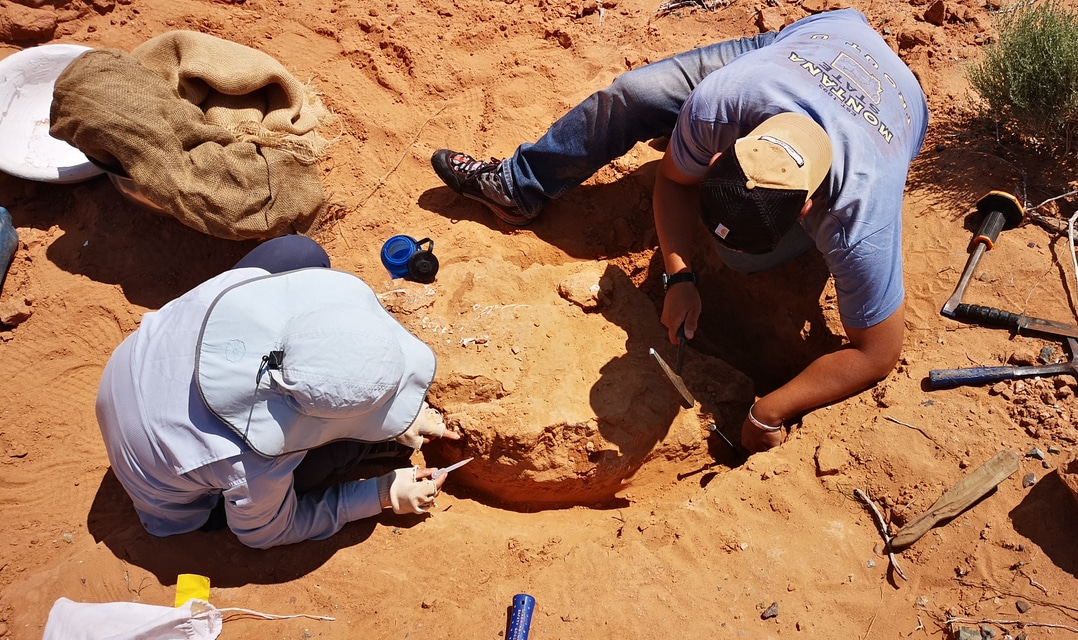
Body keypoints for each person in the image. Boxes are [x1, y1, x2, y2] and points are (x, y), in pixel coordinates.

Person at [432, 9, 928, 453]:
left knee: (738, 257)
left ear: (806, 212)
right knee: (633, 95)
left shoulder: (860, 216)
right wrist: (679, 277)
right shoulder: (721, 103)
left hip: (897, 102)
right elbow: (673, 179)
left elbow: (878, 352)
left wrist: (769, 410)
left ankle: (708, 185)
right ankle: (520, 186)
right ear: (722, 154)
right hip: (811, 42)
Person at [95, 235, 460, 549]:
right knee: (345, 448)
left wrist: (398, 407)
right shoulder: (254, 459)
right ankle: (360, 444)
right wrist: (382, 494)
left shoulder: (241, 290)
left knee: (297, 254)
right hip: (167, 494)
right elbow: (265, 533)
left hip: (138, 370)